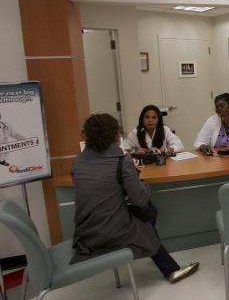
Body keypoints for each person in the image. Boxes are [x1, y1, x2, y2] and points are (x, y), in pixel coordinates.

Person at [71, 113, 199, 282]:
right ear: (116, 136)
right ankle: (168, 268)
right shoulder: (121, 162)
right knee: (149, 213)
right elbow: (141, 199)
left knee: (146, 215)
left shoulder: (78, 161)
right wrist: (138, 178)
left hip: (85, 231)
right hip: (111, 230)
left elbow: (101, 189)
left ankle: (166, 264)